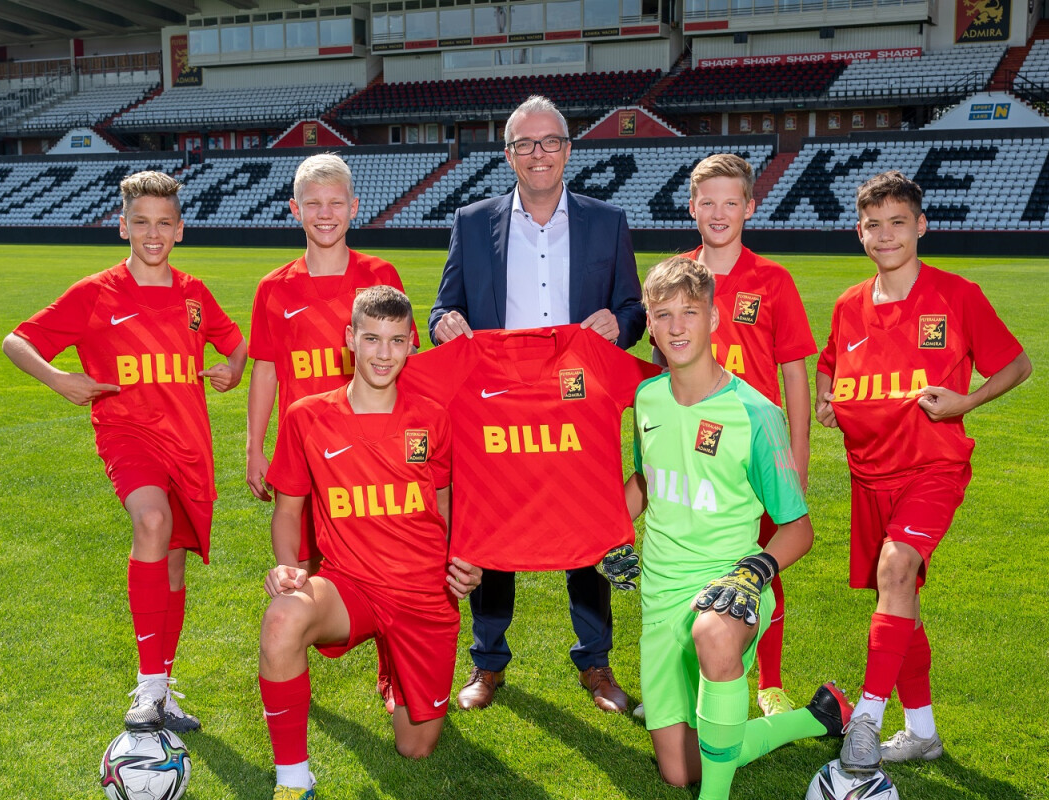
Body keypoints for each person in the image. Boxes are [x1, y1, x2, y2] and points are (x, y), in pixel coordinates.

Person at [2, 171, 247, 733]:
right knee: (152, 521)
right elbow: (17, 341)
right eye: (140, 223)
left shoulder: (193, 294)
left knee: (175, 562)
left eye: (163, 223)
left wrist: (231, 370)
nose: (152, 233)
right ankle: (148, 686)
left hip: (189, 445)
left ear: (180, 229)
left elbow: (236, 343)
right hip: (128, 436)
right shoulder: (95, 293)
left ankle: (163, 689)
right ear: (122, 227)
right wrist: (58, 378)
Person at [429, 94, 645, 714]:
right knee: (492, 522)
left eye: (549, 141)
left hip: (578, 403)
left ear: (568, 149)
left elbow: (632, 309)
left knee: (590, 525)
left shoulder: (607, 220)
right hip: (501, 401)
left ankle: (596, 663)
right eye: (525, 143)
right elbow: (446, 306)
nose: (538, 152)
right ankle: (487, 663)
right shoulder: (473, 221)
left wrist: (616, 325)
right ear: (508, 156)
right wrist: (445, 324)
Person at [816, 171, 1031, 772]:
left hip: (931, 467)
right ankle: (922, 733)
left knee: (897, 567)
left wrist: (965, 402)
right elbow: (828, 364)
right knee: (898, 595)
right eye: (874, 225)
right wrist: (826, 400)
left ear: (921, 226)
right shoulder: (848, 305)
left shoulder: (956, 295)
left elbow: (1017, 364)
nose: (886, 236)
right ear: (860, 233)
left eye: (898, 223)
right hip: (869, 474)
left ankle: (865, 719)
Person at [626, 256, 851, 799]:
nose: (677, 326)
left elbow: (798, 529)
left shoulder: (754, 413)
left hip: (731, 584)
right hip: (660, 593)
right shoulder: (647, 397)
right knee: (681, 769)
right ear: (649, 326)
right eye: (663, 315)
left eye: (690, 312)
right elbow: (645, 481)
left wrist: (756, 569)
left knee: (712, 628)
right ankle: (817, 718)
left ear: (714, 319)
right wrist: (605, 534)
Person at [258, 286, 482, 800]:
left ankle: (396, 670)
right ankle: (293, 780)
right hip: (349, 585)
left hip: (424, 594)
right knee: (283, 618)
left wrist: (466, 562)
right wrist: (288, 568)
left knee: (416, 746)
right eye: (372, 339)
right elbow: (288, 509)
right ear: (350, 340)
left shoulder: (433, 418)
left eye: (397, 341)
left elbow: (446, 507)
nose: (384, 354)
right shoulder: (307, 417)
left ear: (411, 346)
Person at [246, 153, 417, 714]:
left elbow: (403, 363)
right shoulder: (274, 288)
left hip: (374, 451)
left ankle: (394, 672)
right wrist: (255, 446)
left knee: (387, 559)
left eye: (336, 203)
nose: (325, 213)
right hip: (309, 453)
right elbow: (266, 368)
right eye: (313, 204)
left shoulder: (379, 276)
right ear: (295, 210)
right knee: (305, 562)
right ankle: (291, 657)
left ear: (354, 208)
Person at [671, 153, 816, 717]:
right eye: (707, 202)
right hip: (692, 452)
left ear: (750, 208)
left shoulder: (772, 280)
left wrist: (796, 460)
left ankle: (770, 682)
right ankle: (689, 680)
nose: (719, 212)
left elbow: (795, 376)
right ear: (692, 208)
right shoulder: (677, 275)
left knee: (760, 563)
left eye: (731, 202)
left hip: (753, 453)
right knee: (689, 561)